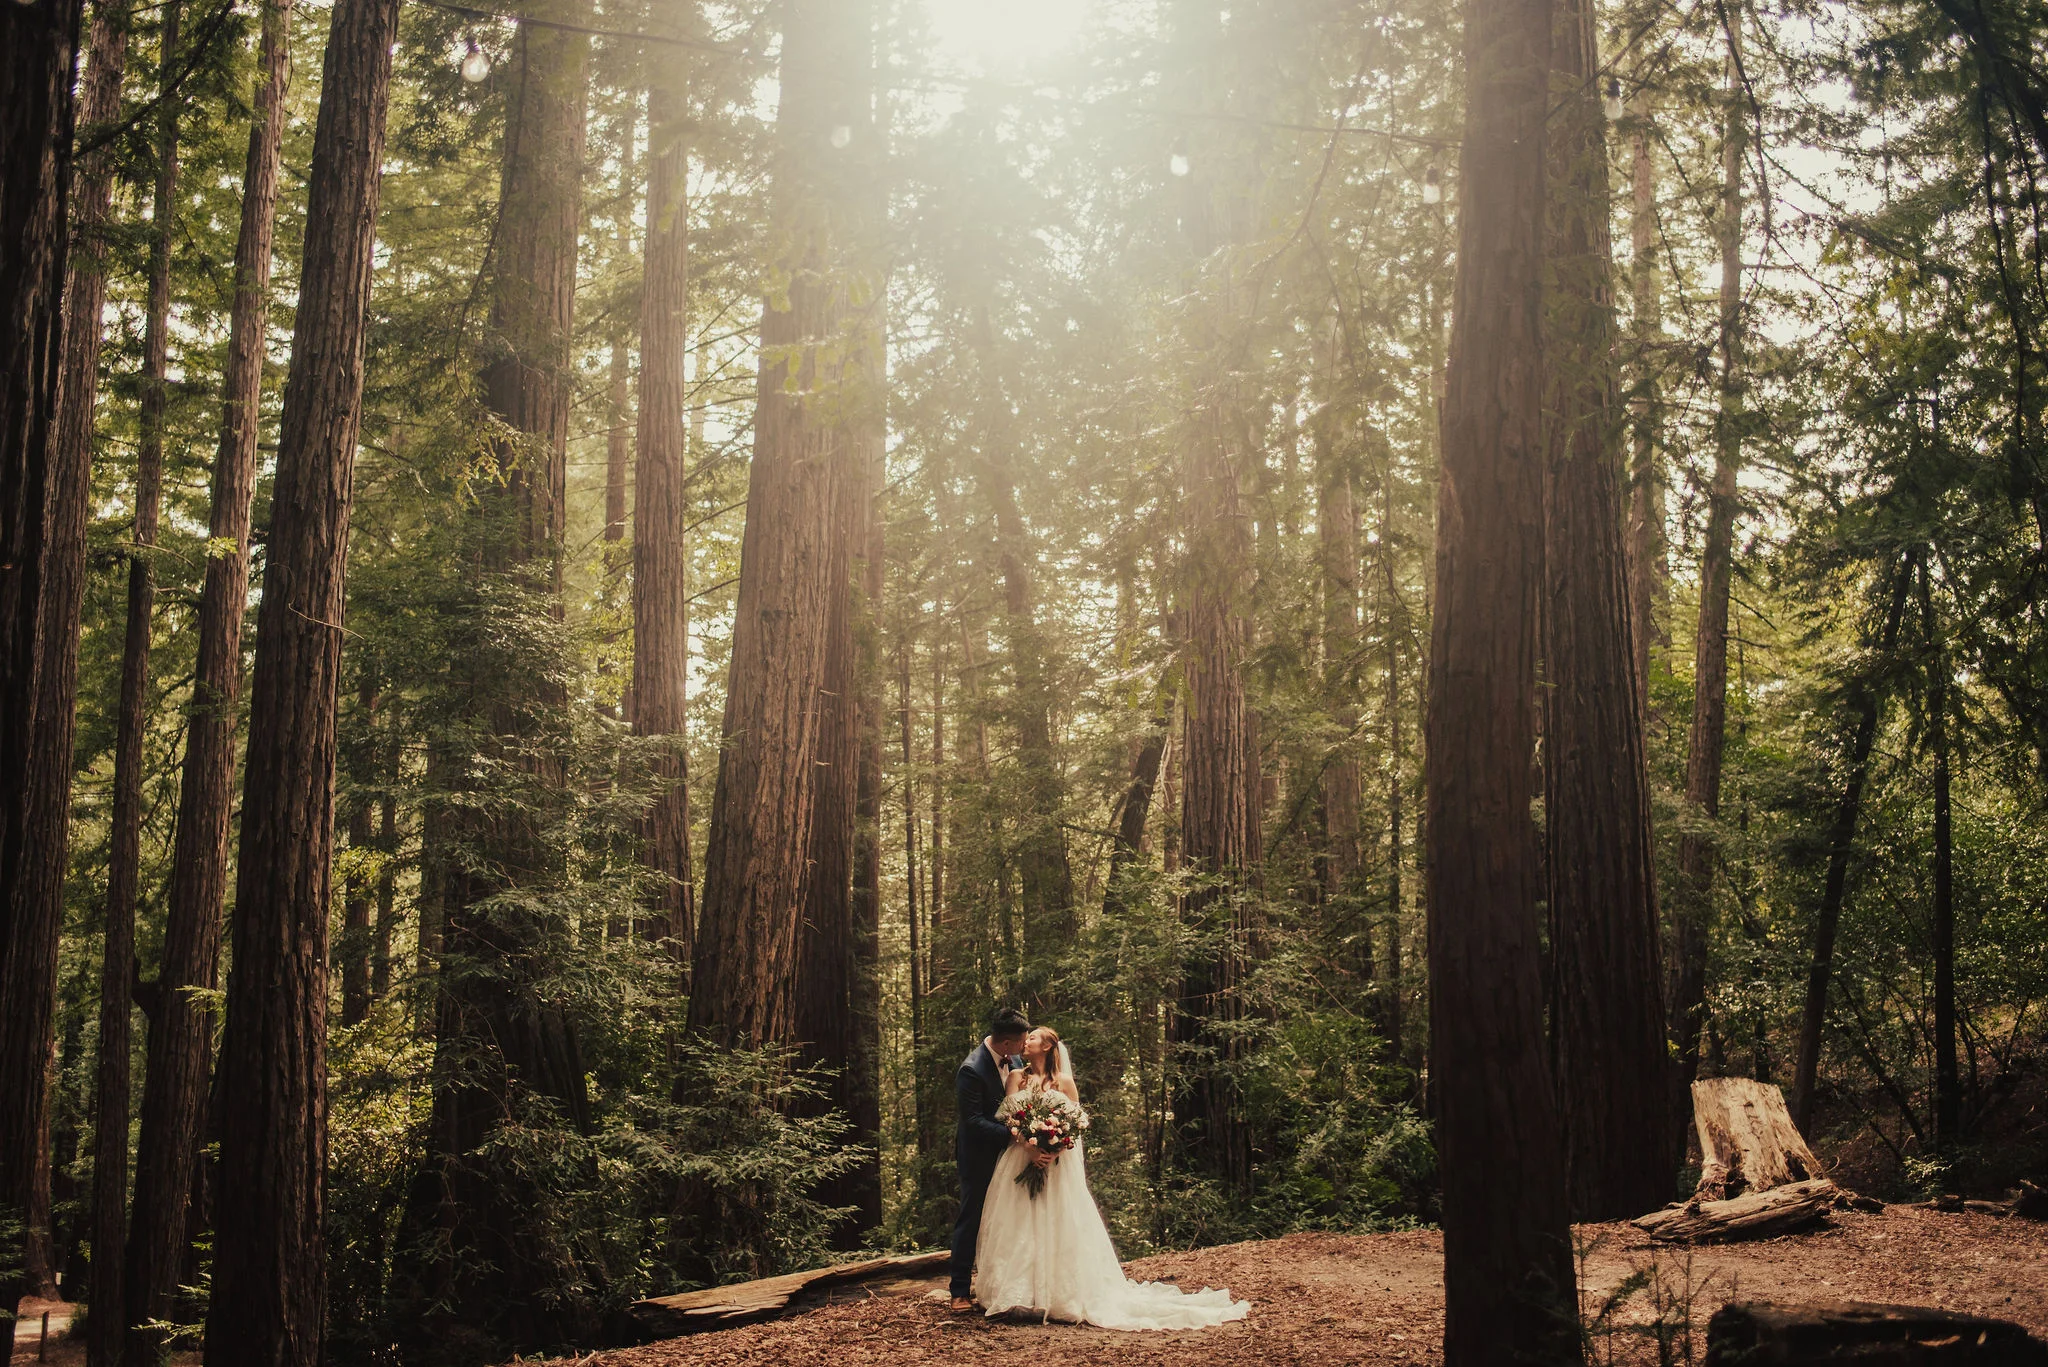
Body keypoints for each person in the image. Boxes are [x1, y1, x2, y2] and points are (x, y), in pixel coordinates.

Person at [971, 1024, 1250, 1330]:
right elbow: (1011, 1119)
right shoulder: (1017, 1077)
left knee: (1057, 1221)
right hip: (1021, 1157)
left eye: (1033, 1038)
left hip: (1056, 1165)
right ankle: (1020, 1293)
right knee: (1019, 1222)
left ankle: (1057, 1293)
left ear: (1048, 1046)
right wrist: (1030, 1147)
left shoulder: (1064, 1082)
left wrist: (1054, 1149)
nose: (1026, 1042)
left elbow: (1076, 1124)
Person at [949, 1007, 1041, 1309]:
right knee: (972, 1217)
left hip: (1013, 1156)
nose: (1025, 1047)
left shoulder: (1015, 1060)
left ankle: (1006, 1285)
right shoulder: (971, 1070)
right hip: (979, 1155)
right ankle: (959, 1291)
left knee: (1010, 1218)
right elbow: (973, 1121)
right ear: (1006, 1043)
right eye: (1022, 1042)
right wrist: (1016, 1135)